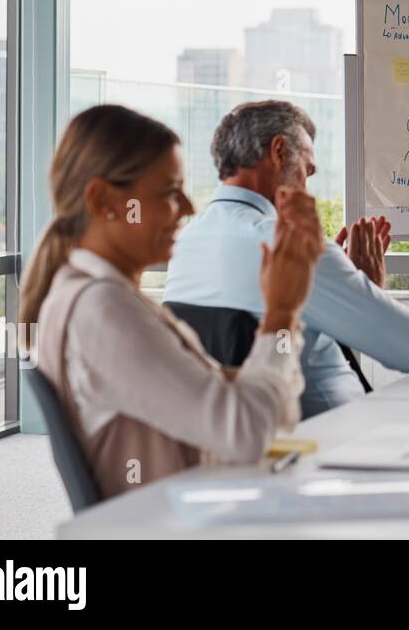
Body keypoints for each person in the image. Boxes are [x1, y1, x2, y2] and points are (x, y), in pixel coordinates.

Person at [20, 105, 323, 500]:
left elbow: (268, 415)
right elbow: (248, 433)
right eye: (168, 192)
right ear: (104, 200)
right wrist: (282, 312)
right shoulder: (104, 310)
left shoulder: (94, 294)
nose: (188, 207)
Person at [163, 101, 409, 416]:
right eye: (307, 170)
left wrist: (346, 285)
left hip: (242, 439)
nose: (307, 186)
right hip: (328, 440)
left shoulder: (184, 242)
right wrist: (368, 287)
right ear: (278, 151)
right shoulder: (296, 247)